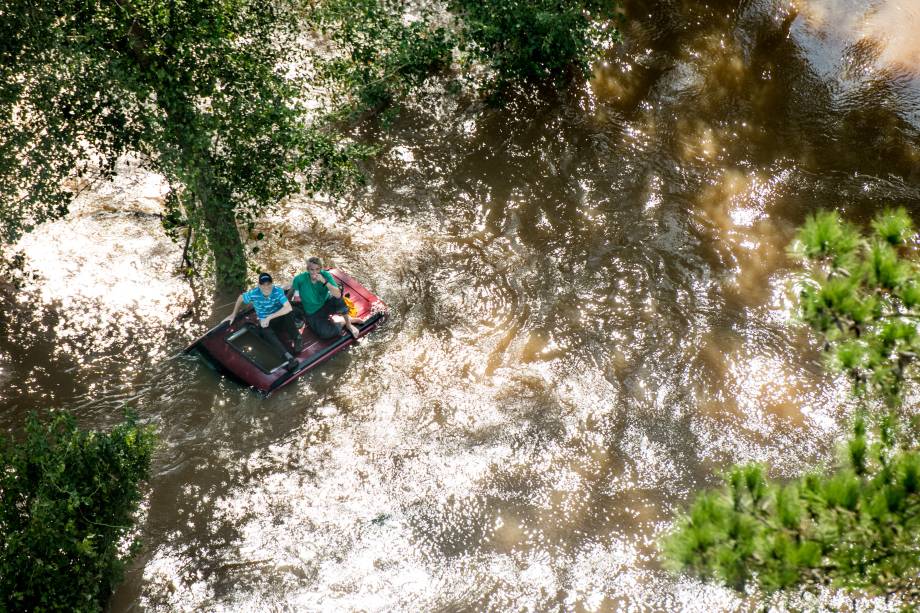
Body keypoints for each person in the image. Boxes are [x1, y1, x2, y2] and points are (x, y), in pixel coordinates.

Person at [225, 272, 302, 370]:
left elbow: (288, 307)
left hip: (278, 318)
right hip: (266, 322)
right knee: (264, 330)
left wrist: (269, 317)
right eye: (263, 284)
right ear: (259, 285)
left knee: (287, 313)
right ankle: (288, 356)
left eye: (268, 284)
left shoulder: (277, 291)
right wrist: (233, 314)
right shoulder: (254, 293)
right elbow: (240, 298)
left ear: (272, 284)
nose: (266, 287)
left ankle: (297, 337)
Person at [291, 256, 364, 340]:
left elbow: (338, 295)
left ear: (321, 269)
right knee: (325, 334)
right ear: (307, 269)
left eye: (317, 269)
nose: (315, 272)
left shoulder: (326, 275)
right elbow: (294, 292)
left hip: (326, 303)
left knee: (338, 299)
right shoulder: (299, 279)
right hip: (313, 312)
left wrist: (324, 281)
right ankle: (343, 322)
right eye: (312, 269)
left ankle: (348, 324)